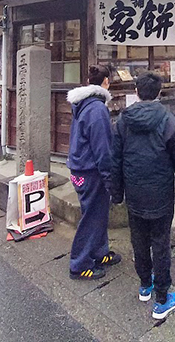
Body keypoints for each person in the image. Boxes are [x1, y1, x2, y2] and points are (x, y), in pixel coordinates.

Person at [110, 72, 175, 321]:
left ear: (136, 91)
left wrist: (117, 193)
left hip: (134, 192)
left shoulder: (123, 121)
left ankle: (145, 285)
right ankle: (162, 298)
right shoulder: (168, 120)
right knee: (160, 243)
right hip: (160, 194)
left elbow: (115, 160)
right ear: (159, 92)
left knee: (138, 240)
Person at [66, 65, 120, 280]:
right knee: (92, 217)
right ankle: (79, 264)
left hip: (80, 167)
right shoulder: (97, 109)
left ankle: (99, 252)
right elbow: (103, 149)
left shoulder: (84, 104)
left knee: (97, 214)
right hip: (91, 171)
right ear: (106, 81)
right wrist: (110, 178)